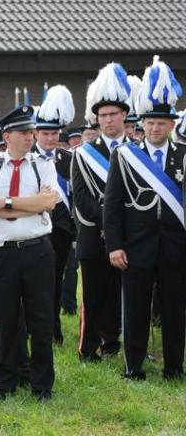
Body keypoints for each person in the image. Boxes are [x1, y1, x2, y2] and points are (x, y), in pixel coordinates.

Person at [105, 57, 186, 380]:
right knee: (135, 309)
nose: (155, 128)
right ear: (142, 125)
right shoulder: (126, 156)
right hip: (136, 246)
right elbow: (113, 205)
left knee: (174, 310)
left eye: (161, 123)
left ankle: (174, 368)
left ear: (171, 126)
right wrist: (115, 245)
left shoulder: (183, 156)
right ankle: (133, 367)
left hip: (175, 247)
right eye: (150, 123)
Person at [0, 106, 59, 402]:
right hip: (3, 253)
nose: (30, 137)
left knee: (41, 321)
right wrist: (30, 203)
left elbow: (48, 203)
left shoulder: (42, 164)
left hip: (37, 250)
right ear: (7, 136)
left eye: (31, 132)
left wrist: (7, 203)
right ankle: (4, 383)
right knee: (6, 321)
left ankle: (42, 386)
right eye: (24, 132)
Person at [72, 63, 131, 362]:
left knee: (121, 294)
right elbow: (82, 198)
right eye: (103, 115)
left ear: (124, 116)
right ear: (96, 119)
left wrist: (119, 226)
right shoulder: (84, 153)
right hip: (94, 235)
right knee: (93, 295)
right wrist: (109, 221)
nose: (108, 120)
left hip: (128, 236)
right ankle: (88, 348)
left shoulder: (137, 151)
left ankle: (113, 342)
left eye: (113, 114)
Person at [33, 85, 76, 345]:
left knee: (56, 280)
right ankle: (32, 326)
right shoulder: (28, 159)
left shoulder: (68, 158)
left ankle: (53, 328)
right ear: (36, 133)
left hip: (61, 229)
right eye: (45, 133)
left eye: (54, 133)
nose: (50, 138)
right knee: (32, 283)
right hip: (34, 227)